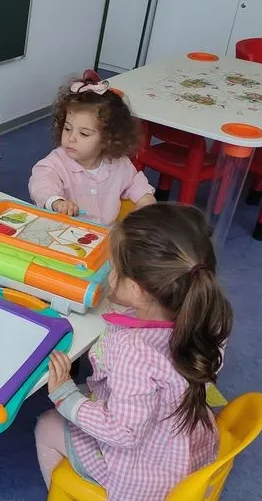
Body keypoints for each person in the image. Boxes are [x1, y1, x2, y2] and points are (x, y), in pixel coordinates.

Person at [34, 203, 233, 500]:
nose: (108, 273)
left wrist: (65, 396)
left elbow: (123, 434)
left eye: (113, 268)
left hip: (146, 473)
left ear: (141, 290)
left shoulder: (135, 353)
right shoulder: (209, 312)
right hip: (187, 445)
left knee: (46, 425)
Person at [29, 70, 156, 226]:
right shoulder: (56, 162)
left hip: (105, 235)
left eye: (84, 133)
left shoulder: (118, 164)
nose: (71, 138)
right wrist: (57, 202)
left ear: (108, 139)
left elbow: (135, 183)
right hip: (65, 233)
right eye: (67, 129)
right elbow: (41, 182)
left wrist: (146, 199)